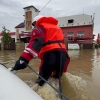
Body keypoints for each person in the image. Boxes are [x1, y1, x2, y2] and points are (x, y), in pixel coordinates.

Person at [10, 15, 70, 86]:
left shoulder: (40, 27)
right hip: (63, 56)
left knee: (41, 81)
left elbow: (36, 43)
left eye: (33, 24)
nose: (34, 27)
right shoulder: (58, 28)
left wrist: (24, 59)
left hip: (49, 55)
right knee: (56, 78)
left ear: (36, 22)